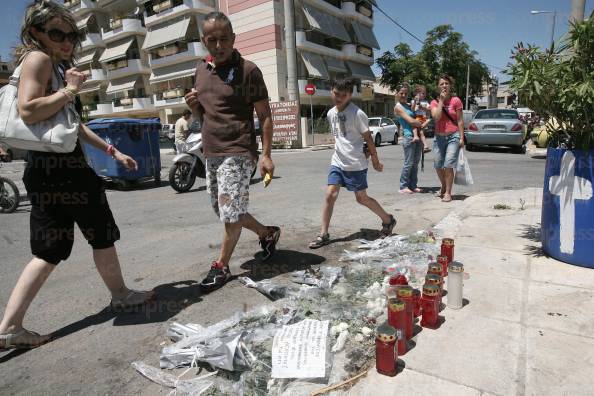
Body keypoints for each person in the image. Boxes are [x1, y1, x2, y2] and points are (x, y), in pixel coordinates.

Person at [0, 1, 153, 351]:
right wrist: (69, 89)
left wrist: (112, 151)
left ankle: (9, 328)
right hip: (64, 172)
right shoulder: (39, 60)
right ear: (36, 32)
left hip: (44, 169)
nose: (67, 40)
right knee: (100, 233)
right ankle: (121, 296)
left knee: (49, 250)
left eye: (72, 34)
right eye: (57, 33)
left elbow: (71, 126)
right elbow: (28, 109)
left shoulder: (51, 65)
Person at [184, 12, 280, 292]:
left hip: (239, 150)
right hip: (211, 151)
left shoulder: (249, 70)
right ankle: (267, 233)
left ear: (233, 39)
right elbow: (205, 116)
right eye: (211, 40)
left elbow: (265, 115)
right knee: (226, 210)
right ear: (204, 41)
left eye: (224, 39)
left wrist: (266, 154)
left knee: (229, 212)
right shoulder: (200, 70)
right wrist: (193, 108)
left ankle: (221, 266)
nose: (218, 45)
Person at [309, 79, 396, 249]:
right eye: (336, 94)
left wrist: (375, 161)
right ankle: (323, 234)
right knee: (330, 194)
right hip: (338, 161)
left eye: (344, 95)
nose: (339, 98)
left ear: (350, 95)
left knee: (361, 198)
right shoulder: (330, 113)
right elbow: (340, 137)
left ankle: (388, 219)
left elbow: (368, 138)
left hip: (356, 163)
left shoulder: (357, 113)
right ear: (331, 91)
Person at [430, 75, 465, 202]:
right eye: (441, 84)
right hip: (439, 137)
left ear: (450, 86)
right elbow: (436, 117)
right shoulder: (434, 102)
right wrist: (441, 101)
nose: (444, 86)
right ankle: (443, 185)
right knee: (438, 165)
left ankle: (448, 192)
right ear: (438, 87)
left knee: (448, 164)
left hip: (453, 136)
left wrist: (462, 137)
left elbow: (460, 120)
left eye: (446, 83)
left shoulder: (456, 101)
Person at [394, 83, 426, 194]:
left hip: (416, 135)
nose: (403, 95)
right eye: (401, 93)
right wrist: (422, 123)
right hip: (408, 136)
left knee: (415, 163)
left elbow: (418, 111)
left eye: (405, 93)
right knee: (408, 163)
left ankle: (413, 185)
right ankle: (403, 186)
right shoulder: (398, 107)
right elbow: (411, 121)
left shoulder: (408, 105)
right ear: (397, 94)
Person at [410, 85, 431, 153]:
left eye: (425, 93)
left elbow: (429, 109)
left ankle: (415, 136)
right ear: (417, 94)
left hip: (421, 117)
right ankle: (425, 146)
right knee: (421, 133)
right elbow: (412, 109)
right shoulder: (413, 101)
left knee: (413, 124)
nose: (424, 95)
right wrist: (415, 102)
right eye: (423, 93)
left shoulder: (425, 102)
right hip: (418, 117)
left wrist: (422, 107)